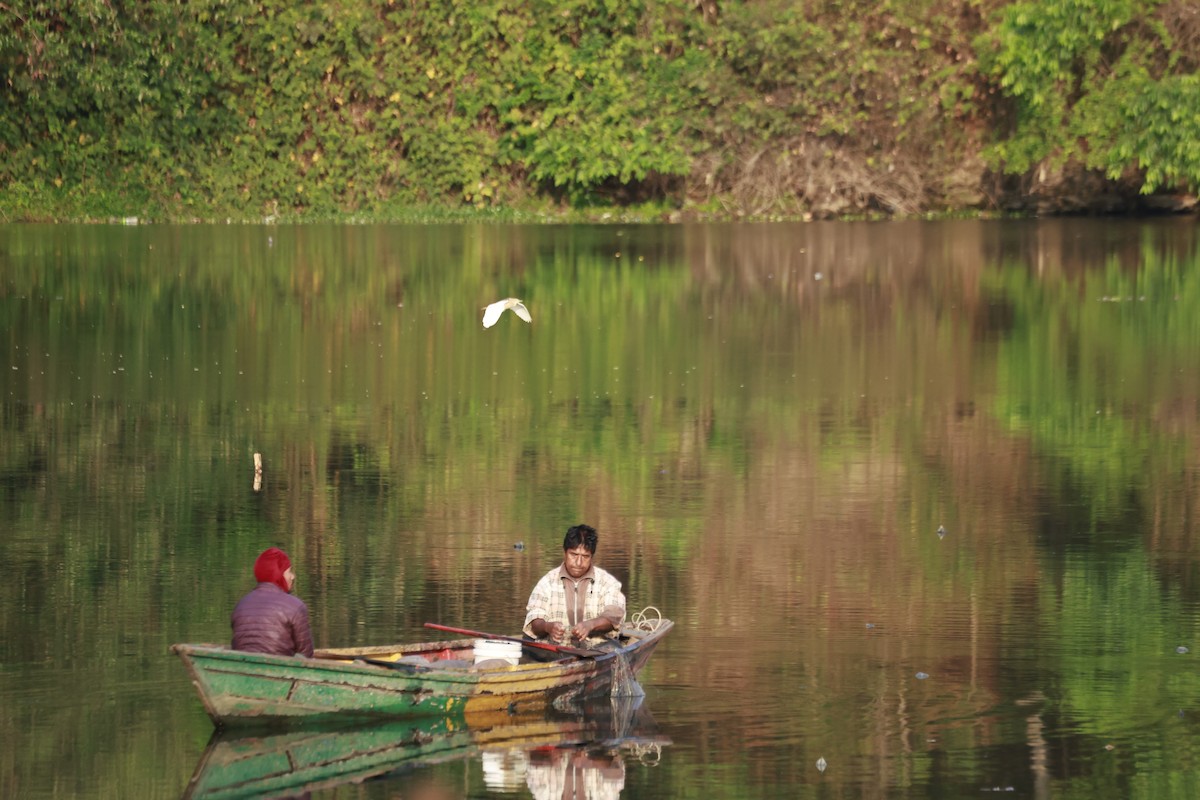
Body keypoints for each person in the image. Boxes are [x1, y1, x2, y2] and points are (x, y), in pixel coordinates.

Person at [524, 524, 625, 651]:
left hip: (597, 648)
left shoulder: (607, 582)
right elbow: (534, 620)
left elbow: (614, 616)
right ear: (565, 552)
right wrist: (547, 627)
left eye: (585, 556)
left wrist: (590, 625)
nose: (578, 563)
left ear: (592, 556)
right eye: (574, 554)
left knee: (613, 648)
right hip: (554, 649)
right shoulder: (547, 582)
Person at [231, 546, 314, 657]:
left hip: (243, 666)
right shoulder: (296, 606)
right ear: (279, 575)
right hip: (280, 668)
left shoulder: (240, 606)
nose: (293, 577)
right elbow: (306, 656)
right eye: (289, 572)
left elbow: (235, 647)